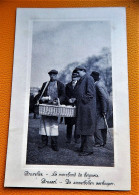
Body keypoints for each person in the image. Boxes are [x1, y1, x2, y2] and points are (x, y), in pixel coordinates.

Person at [38, 69, 65, 151]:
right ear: (49, 75)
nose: (52, 76)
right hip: (45, 107)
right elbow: (40, 94)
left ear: (56, 75)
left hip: (55, 107)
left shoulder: (60, 85)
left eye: (54, 75)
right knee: (43, 124)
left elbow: (63, 95)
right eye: (51, 75)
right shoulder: (45, 84)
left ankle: (54, 144)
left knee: (54, 125)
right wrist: (42, 98)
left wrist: (58, 100)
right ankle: (44, 142)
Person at [74, 66, 96, 156]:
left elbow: (90, 94)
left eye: (78, 71)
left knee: (87, 129)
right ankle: (83, 148)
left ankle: (88, 150)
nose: (76, 73)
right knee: (82, 128)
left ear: (83, 71)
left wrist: (81, 100)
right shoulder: (81, 79)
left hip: (87, 108)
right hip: (82, 108)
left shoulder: (89, 78)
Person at [91, 71, 110, 147]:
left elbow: (103, 98)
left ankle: (99, 142)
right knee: (102, 125)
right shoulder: (100, 83)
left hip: (99, 108)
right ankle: (103, 141)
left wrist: (104, 110)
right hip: (102, 108)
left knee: (96, 126)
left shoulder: (97, 85)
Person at [65, 70, 80, 144]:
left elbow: (81, 95)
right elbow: (65, 95)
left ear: (78, 77)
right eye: (73, 76)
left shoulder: (81, 85)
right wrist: (69, 99)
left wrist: (76, 99)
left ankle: (77, 138)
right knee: (69, 124)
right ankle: (68, 138)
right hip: (69, 107)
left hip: (78, 106)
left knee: (77, 124)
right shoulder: (68, 85)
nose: (74, 77)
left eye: (76, 76)